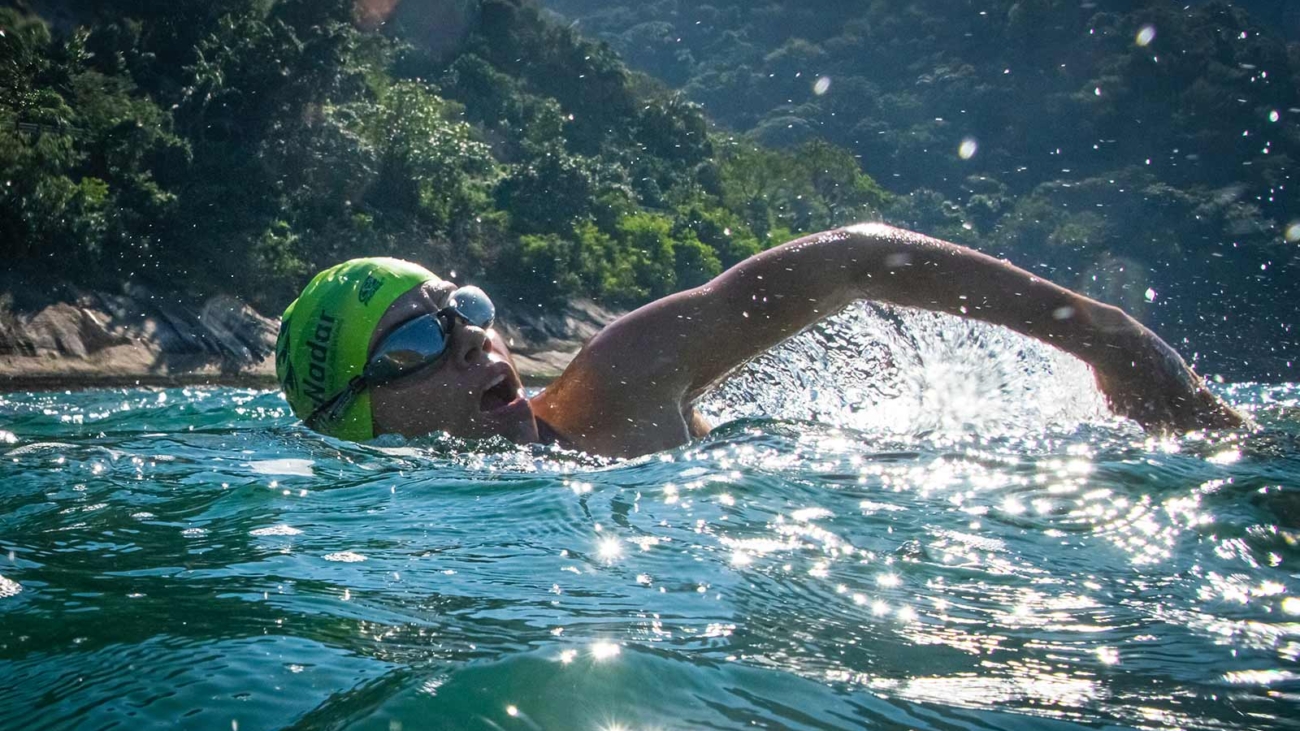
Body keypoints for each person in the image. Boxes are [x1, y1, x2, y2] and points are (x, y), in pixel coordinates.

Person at [276, 223, 1244, 458]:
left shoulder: (618, 390)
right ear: (356, 419)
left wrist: (1102, 337)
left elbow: (850, 261)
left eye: (468, 313)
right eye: (415, 347)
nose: (478, 349)